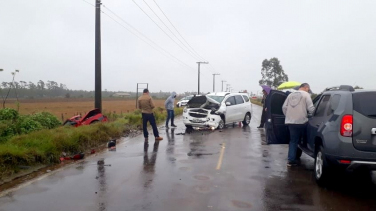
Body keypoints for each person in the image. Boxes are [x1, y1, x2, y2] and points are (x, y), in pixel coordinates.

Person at [282, 83, 315, 167]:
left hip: (290, 122)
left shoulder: (290, 95)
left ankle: (291, 160)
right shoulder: (306, 95)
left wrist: (289, 116)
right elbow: (311, 108)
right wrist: (313, 114)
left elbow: (284, 107)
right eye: (308, 88)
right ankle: (299, 155)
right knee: (302, 140)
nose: (308, 90)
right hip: (302, 122)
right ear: (306, 87)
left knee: (293, 141)